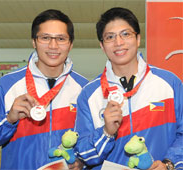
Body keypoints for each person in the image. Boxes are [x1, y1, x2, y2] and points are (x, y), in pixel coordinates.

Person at [74, 7, 183, 170]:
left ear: (138, 39)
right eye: (110, 37)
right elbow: (83, 153)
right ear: (102, 46)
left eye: (126, 34)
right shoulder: (89, 94)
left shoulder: (169, 83)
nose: (119, 42)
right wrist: (106, 133)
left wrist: (169, 163)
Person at [0, 9, 88, 170]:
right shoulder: (6, 84)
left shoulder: (84, 89)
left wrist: (83, 162)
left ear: (70, 44)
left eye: (61, 38)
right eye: (45, 38)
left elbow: (91, 142)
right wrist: (9, 120)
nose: (53, 45)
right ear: (34, 42)